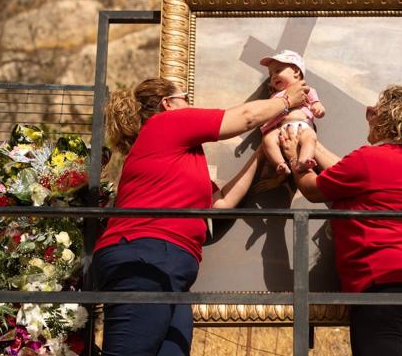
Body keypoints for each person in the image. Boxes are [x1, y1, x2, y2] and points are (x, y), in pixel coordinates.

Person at [92, 77, 309, 356]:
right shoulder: (165, 123)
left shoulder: (178, 155)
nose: (190, 104)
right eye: (185, 97)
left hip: (171, 268)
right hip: (145, 256)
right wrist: (287, 101)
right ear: (168, 104)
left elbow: (221, 203)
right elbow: (245, 117)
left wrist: (260, 154)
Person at [279, 85, 402, 356]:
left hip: (385, 284)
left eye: (373, 112)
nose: (367, 115)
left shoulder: (368, 159)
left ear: (387, 120)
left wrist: (292, 155)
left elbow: (312, 189)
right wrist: (314, 142)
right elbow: (346, 175)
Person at [259, 50, 325, 174]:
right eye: (271, 74)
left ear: (296, 71)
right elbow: (269, 111)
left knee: (310, 138)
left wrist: (318, 107)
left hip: (303, 126)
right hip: (281, 129)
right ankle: (280, 164)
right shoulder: (275, 96)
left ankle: (304, 160)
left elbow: (315, 102)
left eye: (278, 71)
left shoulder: (304, 89)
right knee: (267, 140)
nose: (273, 76)